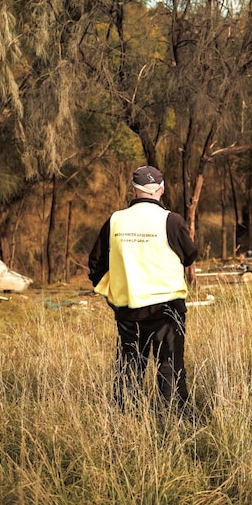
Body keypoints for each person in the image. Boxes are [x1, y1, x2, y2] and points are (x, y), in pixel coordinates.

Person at [88, 165, 198, 409]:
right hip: (167, 309)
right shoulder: (171, 220)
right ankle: (173, 417)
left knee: (129, 365)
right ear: (161, 189)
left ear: (134, 191)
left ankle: (126, 416)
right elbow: (190, 255)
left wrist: (110, 292)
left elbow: (95, 265)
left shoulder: (115, 220)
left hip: (128, 308)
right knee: (170, 366)